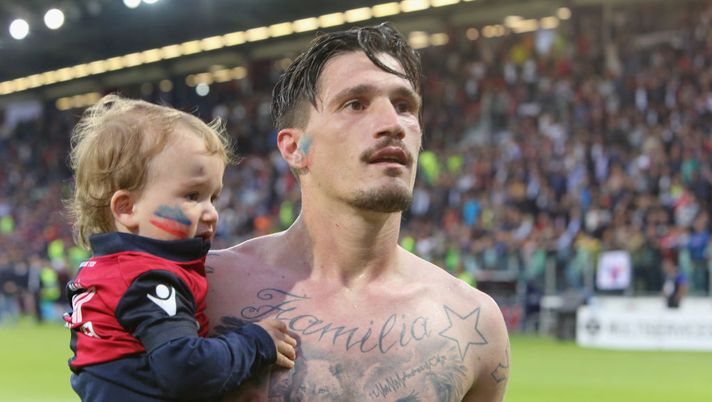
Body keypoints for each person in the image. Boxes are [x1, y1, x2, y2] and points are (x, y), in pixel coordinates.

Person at [206, 23, 510, 401]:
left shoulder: (474, 324)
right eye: (355, 104)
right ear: (295, 147)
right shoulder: (206, 288)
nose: (392, 125)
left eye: (404, 106)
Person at [63, 94, 297, 402]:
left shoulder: (108, 268)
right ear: (127, 208)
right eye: (192, 196)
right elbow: (186, 370)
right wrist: (256, 342)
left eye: (213, 197)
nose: (212, 212)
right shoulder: (149, 277)